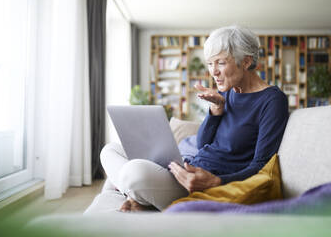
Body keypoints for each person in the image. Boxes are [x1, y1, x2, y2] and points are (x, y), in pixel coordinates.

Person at [100, 25, 289, 212]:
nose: (213, 72)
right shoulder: (230, 93)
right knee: (110, 150)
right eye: (210, 63)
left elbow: (262, 165)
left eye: (221, 63)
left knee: (134, 173)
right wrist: (216, 109)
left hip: (199, 184)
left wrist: (216, 181)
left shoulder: (272, 101)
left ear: (246, 62)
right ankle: (138, 196)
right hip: (186, 168)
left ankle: (138, 195)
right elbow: (202, 143)